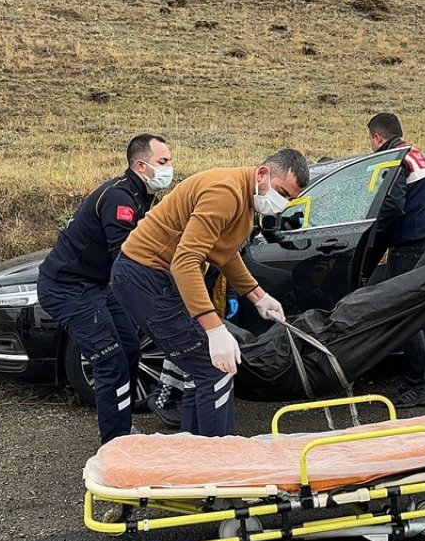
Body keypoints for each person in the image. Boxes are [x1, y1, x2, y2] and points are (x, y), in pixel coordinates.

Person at [110, 149, 310, 437]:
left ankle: (198, 454)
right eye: (282, 192)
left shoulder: (244, 199)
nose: (283, 203)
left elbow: (224, 253)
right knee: (215, 368)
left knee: (200, 370)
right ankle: (218, 462)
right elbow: (185, 261)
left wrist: (258, 296)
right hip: (144, 277)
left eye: (290, 199)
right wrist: (214, 329)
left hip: (156, 278)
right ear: (263, 174)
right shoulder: (225, 192)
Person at [36, 134, 174, 444]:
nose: (170, 167)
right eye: (163, 162)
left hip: (97, 285)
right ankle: (115, 442)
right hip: (67, 288)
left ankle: (122, 426)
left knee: (130, 348)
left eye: (170, 160)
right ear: (141, 165)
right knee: (110, 360)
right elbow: (125, 257)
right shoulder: (120, 198)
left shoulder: (146, 195)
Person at [365, 113, 425, 409]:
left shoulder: (395, 158)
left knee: (402, 315)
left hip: (410, 244)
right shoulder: (418, 155)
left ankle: (418, 385)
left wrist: (375, 239)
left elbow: (392, 204)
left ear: (377, 138)